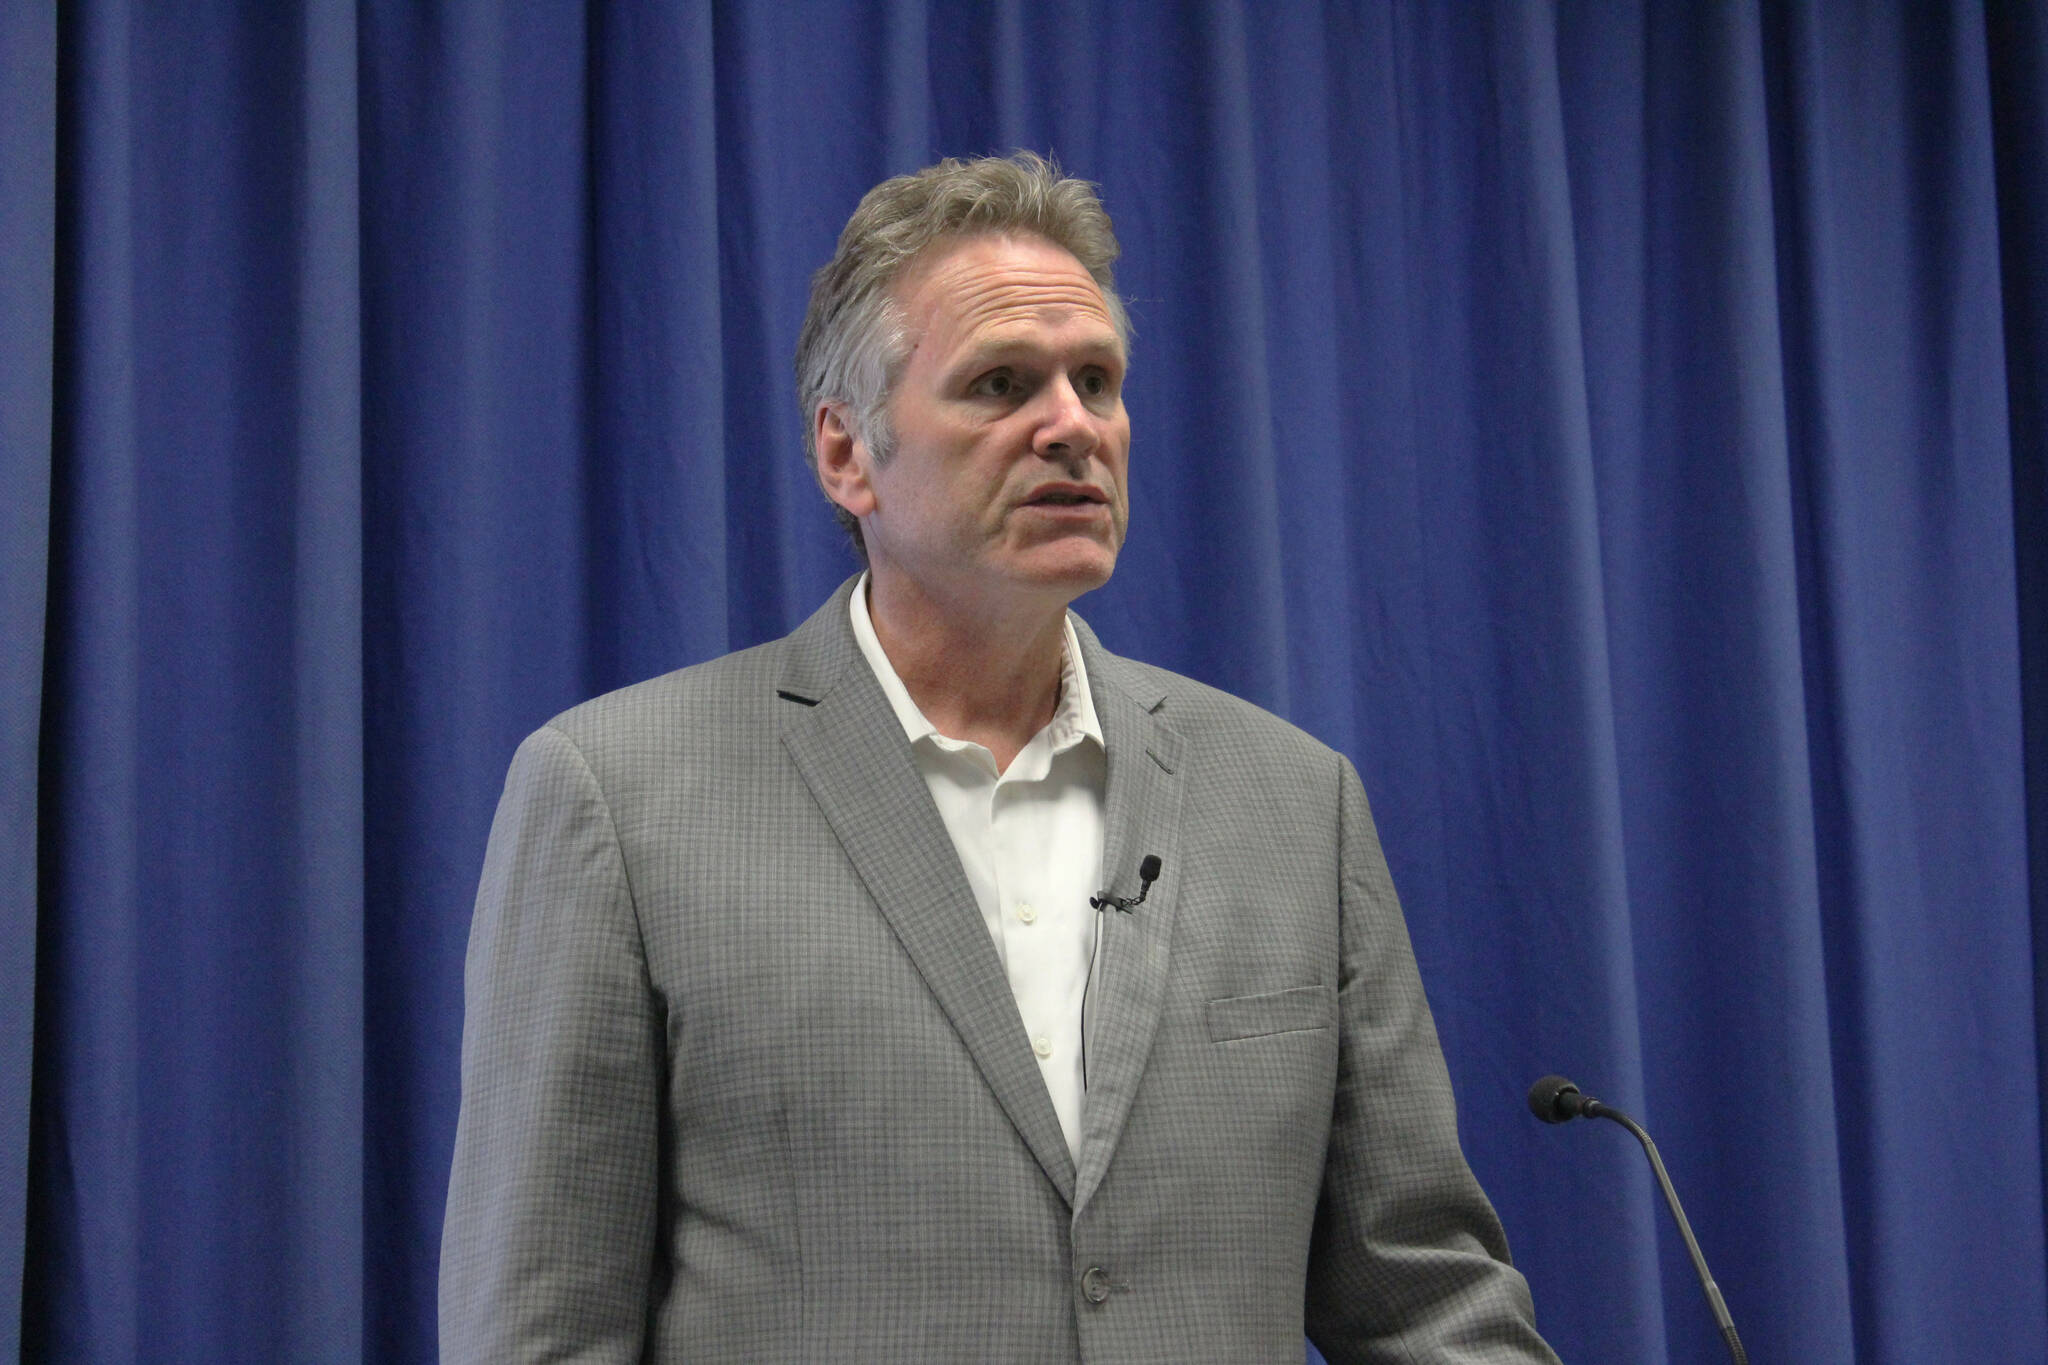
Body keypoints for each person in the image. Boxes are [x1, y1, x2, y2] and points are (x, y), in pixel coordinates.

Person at [440, 152, 1558, 1364]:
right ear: (845, 455)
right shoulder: (617, 797)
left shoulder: (1293, 801)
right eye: (998, 384)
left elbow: (1424, 1301)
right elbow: (541, 1334)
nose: (1070, 426)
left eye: (1097, 380)